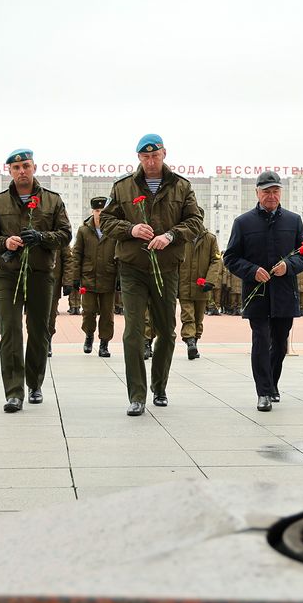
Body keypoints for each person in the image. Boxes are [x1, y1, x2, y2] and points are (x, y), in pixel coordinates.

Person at [99, 133, 203, 416]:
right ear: (138, 158)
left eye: (155, 155)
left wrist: (171, 235)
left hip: (167, 267)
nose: (151, 161)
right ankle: (137, 395)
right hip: (132, 267)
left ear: (164, 154)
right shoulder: (123, 187)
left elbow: (195, 221)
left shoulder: (181, 187)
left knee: (166, 331)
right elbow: (106, 220)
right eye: (145, 157)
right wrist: (130, 230)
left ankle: (159, 386)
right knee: (133, 332)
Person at [0, 149, 71, 412]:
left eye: (26, 166)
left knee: (39, 330)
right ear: (9, 170)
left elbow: (65, 234)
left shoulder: (52, 201)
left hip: (41, 274)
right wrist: (4, 241)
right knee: (10, 330)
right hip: (8, 274)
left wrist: (42, 237)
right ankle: (14, 391)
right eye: (16, 167)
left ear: (34, 168)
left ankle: (35, 384)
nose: (22, 171)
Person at [223, 171, 303, 411]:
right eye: (266, 192)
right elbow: (230, 257)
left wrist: (289, 266)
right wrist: (252, 271)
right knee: (261, 340)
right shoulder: (243, 223)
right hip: (257, 293)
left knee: (280, 343)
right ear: (257, 193)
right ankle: (263, 391)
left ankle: (272, 383)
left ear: (281, 192)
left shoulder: (293, 221)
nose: (271, 196)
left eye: (275, 191)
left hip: (284, 292)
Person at [71, 196, 118, 357]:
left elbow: (119, 255)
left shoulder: (113, 230)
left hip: (108, 278)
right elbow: (77, 254)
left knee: (107, 314)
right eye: (97, 210)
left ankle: (104, 344)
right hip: (88, 278)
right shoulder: (84, 230)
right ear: (92, 211)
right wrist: (75, 278)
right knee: (89, 311)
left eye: (103, 211)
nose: (100, 214)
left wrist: (119, 279)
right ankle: (89, 336)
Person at [178, 212, 222, 359]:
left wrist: (210, 280)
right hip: (184, 284)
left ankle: (194, 341)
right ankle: (190, 341)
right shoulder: (182, 237)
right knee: (187, 315)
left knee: (199, 317)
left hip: (202, 286)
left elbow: (216, 261)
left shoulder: (210, 239)